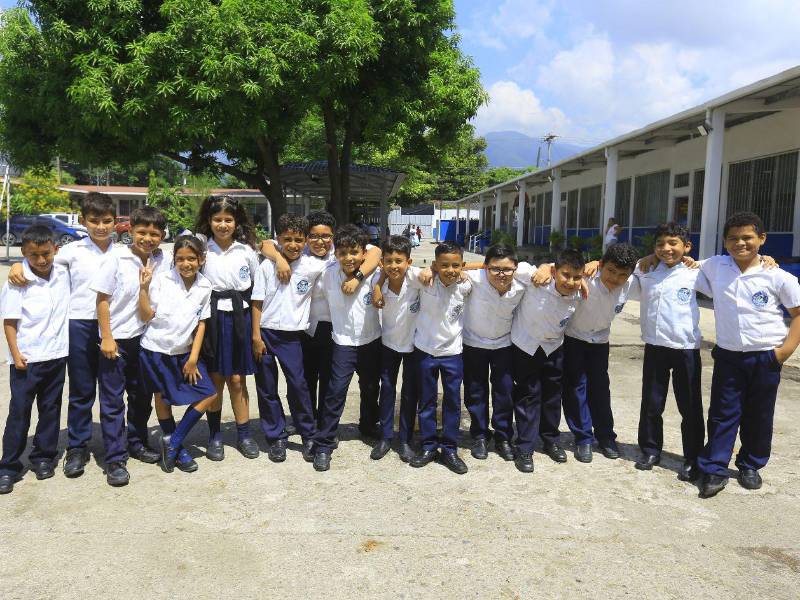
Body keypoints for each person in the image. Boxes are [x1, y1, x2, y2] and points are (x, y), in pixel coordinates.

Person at [7, 192, 115, 478]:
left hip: (115, 328)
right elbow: (36, 259)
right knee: (81, 390)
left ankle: (116, 447)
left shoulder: (124, 252)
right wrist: (17, 266)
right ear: (83, 222)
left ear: (115, 222)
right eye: (94, 221)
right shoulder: (71, 251)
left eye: (106, 221)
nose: (101, 226)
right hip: (78, 325)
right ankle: (77, 447)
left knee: (112, 390)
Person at [695, 212, 800, 498]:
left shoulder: (776, 275)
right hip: (729, 356)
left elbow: (798, 313)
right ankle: (715, 467)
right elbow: (682, 262)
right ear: (725, 242)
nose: (740, 243)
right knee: (722, 413)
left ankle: (750, 464)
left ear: (761, 239)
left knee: (759, 414)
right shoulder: (716, 266)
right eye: (733, 238)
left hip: (765, 357)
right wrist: (649, 260)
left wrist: (785, 351)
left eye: (747, 238)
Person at [259, 211, 382, 431]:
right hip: (306, 326)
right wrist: (279, 259)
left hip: (334, 327)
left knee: (329, 380)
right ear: (307, 237)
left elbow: (375, 251)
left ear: (333, 236)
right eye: (314, 236)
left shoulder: (341, 253)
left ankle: (326, 422)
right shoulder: (301, 253)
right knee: (305, 378)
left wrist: (357, 277)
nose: (320, 241)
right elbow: (266, 244)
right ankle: (305, 420)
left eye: (326, 236)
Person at [90, 206, 170, 486]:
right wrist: (107, 337)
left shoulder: (163, 259)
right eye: (142, 232)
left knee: (140, 397)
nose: (148, 238)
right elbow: (102, 300)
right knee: (113, 402)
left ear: (161, 236)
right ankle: (115, 459)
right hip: (117, 340)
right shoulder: (116, 259)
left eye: (154, 234)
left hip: (147, 340)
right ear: (131, 231)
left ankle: (136, 443)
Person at [627, 223, 705, 480]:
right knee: (651, 402)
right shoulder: (647, 270)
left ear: (687, 247)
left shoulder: (696, 272)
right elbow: (625, 268)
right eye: (660, 244)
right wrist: (646, 258)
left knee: (690, 406)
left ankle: (693, 457)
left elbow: (727, 267)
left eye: (673, 243)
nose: (666, 249)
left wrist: (764, 258)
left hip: (686, 348)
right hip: (655, 345)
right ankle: (650, 450)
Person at [250, 214, 329, 464]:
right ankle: (276, 437)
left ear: (305, 241)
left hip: (292, 337)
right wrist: (255, 336)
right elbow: (257, 302)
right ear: (279, 239)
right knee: (267, 387)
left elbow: (352, 259)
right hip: (265, 333)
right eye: (287, 239)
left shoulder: (314, 266)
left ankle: (308, 434)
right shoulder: (266, 266)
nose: (293, 244)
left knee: (298, 385)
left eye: (298, 239)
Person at [137, 235, 217, 473]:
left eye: (191, 258)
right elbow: (146, 315)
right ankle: (177, 449)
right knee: (162, 397)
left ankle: (173, 440)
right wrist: (143, 288)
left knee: (209, 393)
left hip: (184, 351)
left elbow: (201, 323)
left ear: (201, 259)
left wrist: (193, 358)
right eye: (180, 259)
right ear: (174, 260)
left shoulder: (205, 286)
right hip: (156, 349)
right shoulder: (161, 280)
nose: (186, 264)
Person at [0, 226, 70, 494]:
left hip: (56, 355)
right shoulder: (18, 280)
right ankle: (8, 466)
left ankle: (43, 457)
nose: (41, 260)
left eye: (46, 254)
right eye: (33, 255)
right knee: (19, 411)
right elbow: (9, 320)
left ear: (55, 249)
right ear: (24, 253)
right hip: (27, 359)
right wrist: (15, 353)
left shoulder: (63, 273)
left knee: (51, 409)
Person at [557, 243, 639, 463]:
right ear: (601, 265)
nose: (614, 278)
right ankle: (583, 438)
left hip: (600, 342)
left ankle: (606, 436)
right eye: (611, 271)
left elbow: (651, 264)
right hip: (574, 339)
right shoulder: (586, 277)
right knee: (575, 389)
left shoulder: (630, 284)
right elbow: (556, 269)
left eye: (622, 274)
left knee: (601, 390)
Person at [194, 196, 261, 461]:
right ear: (209, 222)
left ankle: (244, 434)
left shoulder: (246, 251)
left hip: (239, 317)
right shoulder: (202, 250)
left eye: (228, 220)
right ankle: (215, 435)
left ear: (236, 222)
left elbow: (258, 288)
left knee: (236, 379)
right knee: (216, 378)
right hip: (210, 318)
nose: (223, 225)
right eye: (217, 219)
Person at [312, 225, 382, 471]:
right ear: (335, 254)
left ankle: (368, 425)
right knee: (335, 392)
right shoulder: (326, 273)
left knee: (371, 387)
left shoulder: (375, 273)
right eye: (342, 253)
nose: (348, 258)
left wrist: (359, 277)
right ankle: (325, 442)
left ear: (363, 253)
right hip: (342, 342)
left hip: (371, 340)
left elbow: (380, 253)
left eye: (354, 252)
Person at [510, 249, 584, 473]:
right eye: (565, 275)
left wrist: (584, 279)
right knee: (528, 397)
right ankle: (524, 447)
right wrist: (544, 266)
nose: (570, 281)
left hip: (554, 348)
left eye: (576, 277)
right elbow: (503, 266)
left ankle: (550, 439)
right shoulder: (536, 279)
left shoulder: (579, 292)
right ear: (554, 271)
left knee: (552, 397)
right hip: (526, 346)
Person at [409, 241, 472, 474]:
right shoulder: (423, 280)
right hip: (425, 350)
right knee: (426, 400)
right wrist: (429, 270)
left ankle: (449, 448)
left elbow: (484, 267)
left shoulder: (466, 285)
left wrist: (463, 271)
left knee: (453, 402)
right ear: (435, 264)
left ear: (462, 265)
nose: (451, 270)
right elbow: (399, 269)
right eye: (443, 265)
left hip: (453, 353)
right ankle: (428, 446)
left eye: (456, 265)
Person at [461, 244, 525, 463]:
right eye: (495, 269)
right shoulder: (474, 278)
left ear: (516, 268)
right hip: (473, 343)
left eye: (507, 270)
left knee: (505, 393)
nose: (501, 274)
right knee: (475, 392)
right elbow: (450, 268)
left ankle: (503, 437)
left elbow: (550, 270)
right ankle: (479, 435)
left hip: (504, 345)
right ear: (485, 267)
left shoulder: (522, 282)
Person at [370, 235, 420, 462]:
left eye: (399, 261)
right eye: (388, 261)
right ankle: (385, 436)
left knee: (410, 393)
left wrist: (489, 266)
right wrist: (379, 283)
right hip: (388, 343)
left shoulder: (418, 278)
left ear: (409, 262)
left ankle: (406, 439)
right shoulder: (377, 284)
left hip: (414, 344)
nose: (394, 266)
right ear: (382, 263)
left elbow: (454, 266)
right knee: (387, 389)